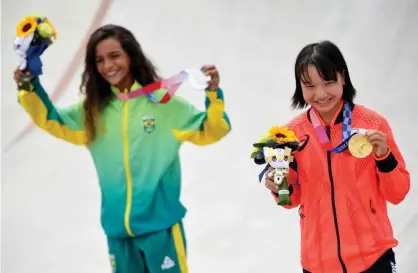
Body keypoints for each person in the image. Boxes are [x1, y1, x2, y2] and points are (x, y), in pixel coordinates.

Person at [14, 24, 231, 273]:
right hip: (118, 234)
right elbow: (51, 119)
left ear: (131, 56)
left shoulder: (163, 104)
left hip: (161, 231)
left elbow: (214, 131)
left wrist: (213, 95)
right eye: (100, 60)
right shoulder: (92, 112)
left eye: (115, 55)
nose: (108, 66)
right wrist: (28, 85)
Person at [264, 40, 410, 273]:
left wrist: (384, 156)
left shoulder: (373, 124)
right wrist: (278, 186)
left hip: (374, 258)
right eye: (310, 85)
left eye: (329, 82)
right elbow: (290, 201)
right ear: (300, 86)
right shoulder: (290, 135)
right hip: (318, 264)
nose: (320, 94)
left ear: (343, 77)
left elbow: (398, 193)